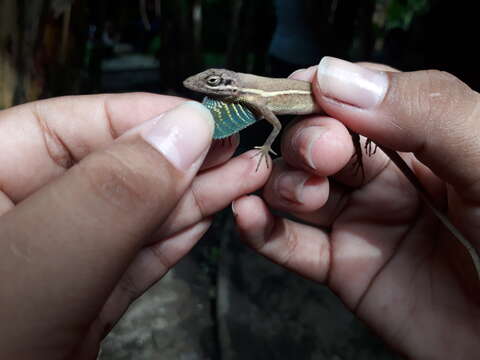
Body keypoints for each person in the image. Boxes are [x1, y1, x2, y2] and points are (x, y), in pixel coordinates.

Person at [0, 57, 479, 359]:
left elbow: (272, 123)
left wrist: (271, 147)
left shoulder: (258, 96)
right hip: (324, 117)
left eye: (211, 82)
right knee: (329, 146)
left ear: (228, 83)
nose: (201, 86)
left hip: (330, 111)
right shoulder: (244, 89)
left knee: (341, 133)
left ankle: (362, 140)